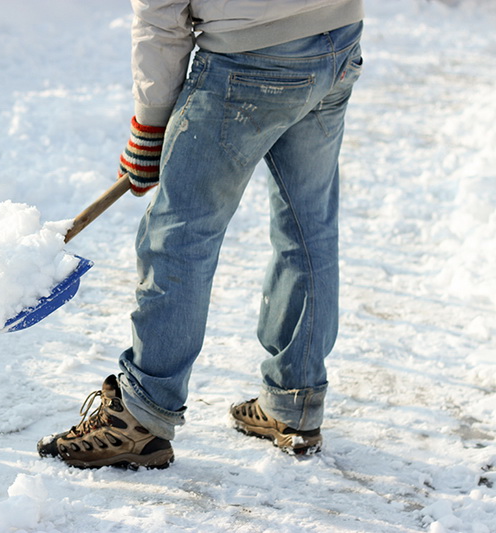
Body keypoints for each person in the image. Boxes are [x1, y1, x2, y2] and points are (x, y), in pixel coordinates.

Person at [38, 0, 365, 469]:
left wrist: (149, 126)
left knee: (179, 236)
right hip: (336, 40)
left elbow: (160, 13)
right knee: (307, 224)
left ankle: (141, 415)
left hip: (248, 57)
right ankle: (294, 402)